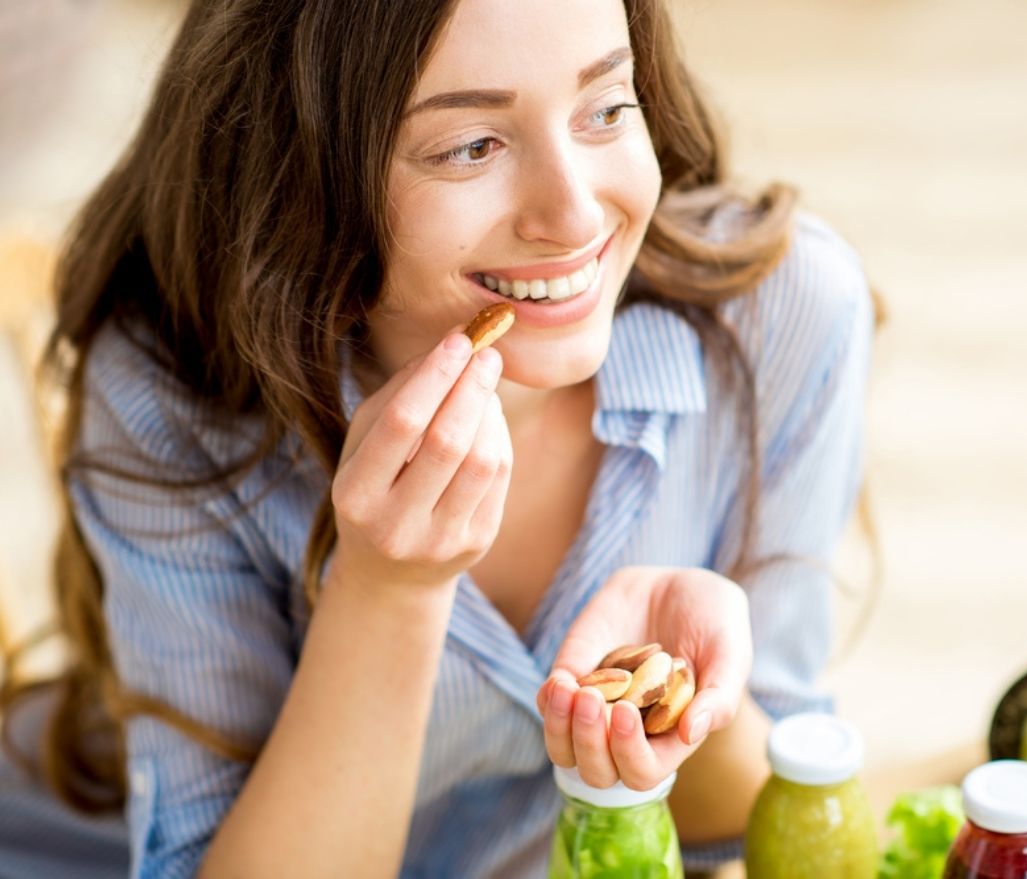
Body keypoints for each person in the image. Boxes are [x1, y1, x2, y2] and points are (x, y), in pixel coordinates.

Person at [0, 0, 876, 876]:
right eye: (471, 147)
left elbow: (751, 820)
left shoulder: (787, 313)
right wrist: (387, 590)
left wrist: (671, 700)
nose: (573, 217)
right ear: (299, 172)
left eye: (607, 107)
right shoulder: (167, 393)